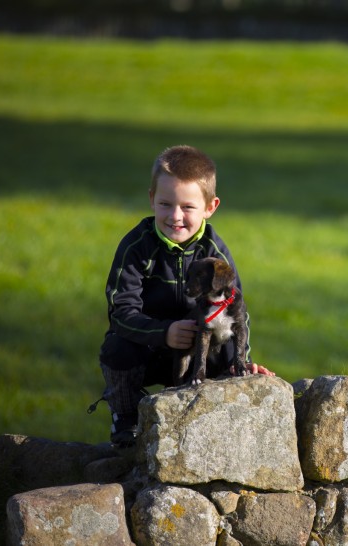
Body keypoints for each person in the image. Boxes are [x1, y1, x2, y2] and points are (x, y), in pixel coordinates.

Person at [96, 145, 273, 447]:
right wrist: (163, 332)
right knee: (116, 347)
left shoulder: (214, 253)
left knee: (232, 361)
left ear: (210, 206)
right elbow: (120, 311)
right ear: (151, 199)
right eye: (165, 204)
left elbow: (236, 312)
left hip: (201, 348)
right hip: (150, 347)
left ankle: (216, 423)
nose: (175, 216)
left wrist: (243, 359)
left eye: (187, 207)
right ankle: (126, 418)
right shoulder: (137, 247)